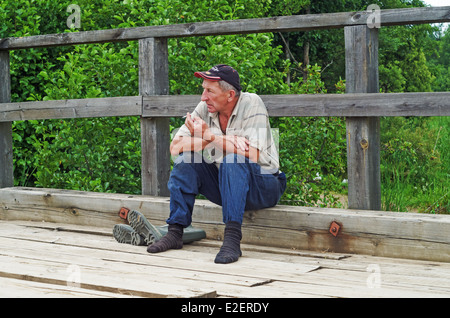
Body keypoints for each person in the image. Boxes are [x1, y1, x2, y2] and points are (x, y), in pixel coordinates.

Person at [147, 64, 286, 264]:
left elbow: (254, 154)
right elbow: (175, 147)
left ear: (230, 95)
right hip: (227, 185)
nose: (203, 97)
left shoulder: (252, 103)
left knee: (233, 159)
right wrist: (209, 139)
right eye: (203, 89)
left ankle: (232, 239)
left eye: (209, 91)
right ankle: (175, 232)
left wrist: (210, 136)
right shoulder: (205, 107)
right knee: (186, 160)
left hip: (264, 184)